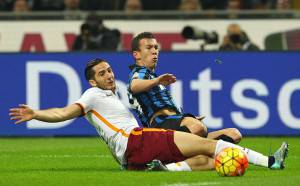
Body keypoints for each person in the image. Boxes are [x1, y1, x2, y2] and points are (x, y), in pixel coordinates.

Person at [9, 58, 288, 171]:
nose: (109, 75)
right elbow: (64, 112)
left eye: (109, 70)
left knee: (204, 159)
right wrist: (36, 114)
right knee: (208, 145)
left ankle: (164, 168)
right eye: (102, 73)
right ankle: (271, 162)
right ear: (92, 81)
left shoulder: (110, 97)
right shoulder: (92, 95)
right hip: (137, 141)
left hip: (131, 156)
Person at [128, 32, 241, 144]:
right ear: (136, 54)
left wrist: (186, 119)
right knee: (196, 127)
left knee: (233, 134)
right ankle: (164, 154)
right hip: (159, 126)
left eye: (156, 47)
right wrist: (157, 81)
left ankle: (191, 154)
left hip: (175, 125)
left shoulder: (152, 78)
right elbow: (134, 86)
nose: (154, 51)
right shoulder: (140, 72)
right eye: (148, 48)